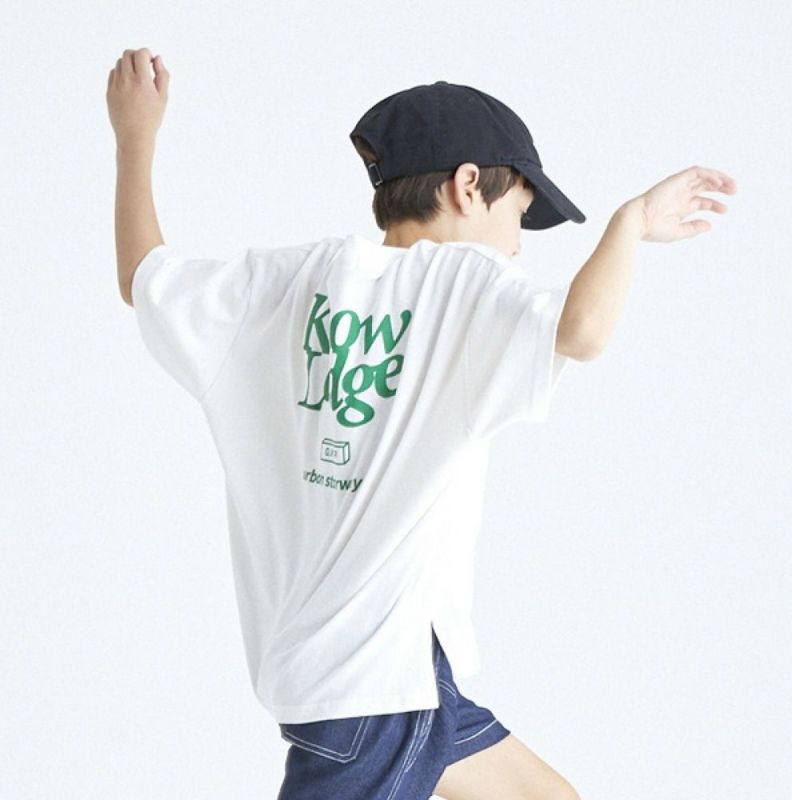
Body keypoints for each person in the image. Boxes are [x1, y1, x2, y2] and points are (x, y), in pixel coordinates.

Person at [107, 48, 737, 800]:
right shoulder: (466, 281)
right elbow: (583, 331)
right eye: (520, 215)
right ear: (468, 186)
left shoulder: (284, 281)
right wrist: (629, 225)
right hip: (377, 688)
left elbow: (142, 278)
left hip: (380, 671)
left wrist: (135, 136)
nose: (517, 242)